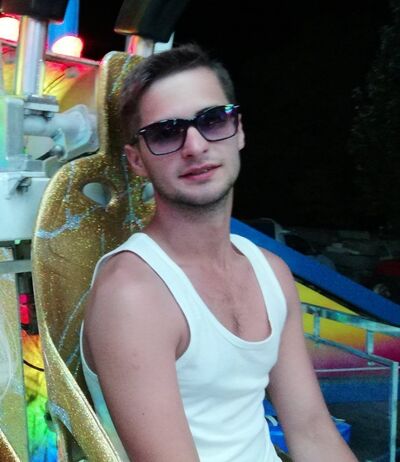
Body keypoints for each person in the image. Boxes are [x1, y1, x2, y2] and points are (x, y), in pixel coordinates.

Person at [80, 43, 358, 462]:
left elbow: (312, 432)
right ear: (136, 160)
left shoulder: (271, 272)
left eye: (212, 120)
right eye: (166, 132)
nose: (194, 145)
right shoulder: (134, 294)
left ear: (238, 130)